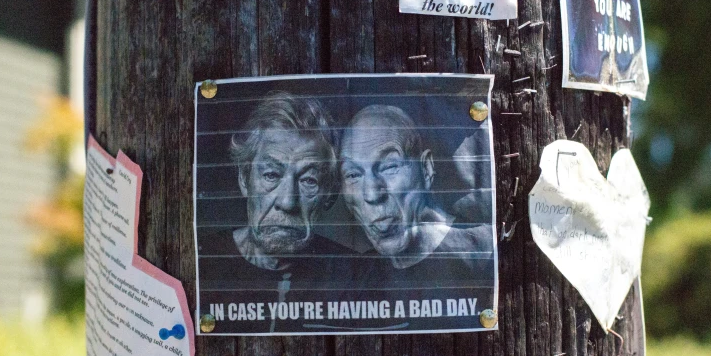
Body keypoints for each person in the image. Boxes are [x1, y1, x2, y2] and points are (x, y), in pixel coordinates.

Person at [198, 92, 353, 309]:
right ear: (244, 180)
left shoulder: (353, 276)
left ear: (330, 195)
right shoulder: (202, 261)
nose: (288, 202)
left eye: (309, 180)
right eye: (271, 175)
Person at [339, 105, 495, 287]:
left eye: (389, 167)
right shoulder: (361, 280)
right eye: (353, 175)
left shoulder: (485, 250)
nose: (372, 194)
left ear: (426, 169)